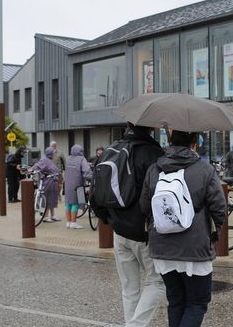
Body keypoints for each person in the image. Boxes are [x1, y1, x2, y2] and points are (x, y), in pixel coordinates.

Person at [140, 130, 225, 327]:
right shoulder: (205, 170)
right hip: (195, 248)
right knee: (197, 303)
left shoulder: (155, 169)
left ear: (169, 142)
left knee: (176, 301)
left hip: (162, 248)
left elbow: (144, 206)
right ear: (194, 144)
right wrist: (216, 230)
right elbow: (219, 208)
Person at [99, 123, 165, 327]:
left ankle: (132, 323)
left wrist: (109, 219)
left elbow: (96, 192)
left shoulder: (113, 148)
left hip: (119, 230)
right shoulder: (153, 152)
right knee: (157, 281)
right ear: (151, 128)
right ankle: (134, 325)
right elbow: (160, 194)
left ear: (128, 125)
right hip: (144, 231)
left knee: (129, 288)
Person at [64, 144, 93, 229]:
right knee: (75, 203)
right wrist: (93, 176)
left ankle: (68, 222)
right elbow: (86, 172)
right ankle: (73, 223)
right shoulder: (81, 159)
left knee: (68, 203)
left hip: (68, 184)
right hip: (77, 184)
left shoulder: (68, 158)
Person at [29, 147, 60, 222]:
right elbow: (37, 165)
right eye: (53, 153)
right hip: (49, 181)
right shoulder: (44, 160)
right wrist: (30, 170)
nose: (54, 154)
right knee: (48, 198)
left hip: (53, 181)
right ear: (50, 153)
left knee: (52, 198)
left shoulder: (49, 160)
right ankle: (46, 216)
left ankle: (52, 215)